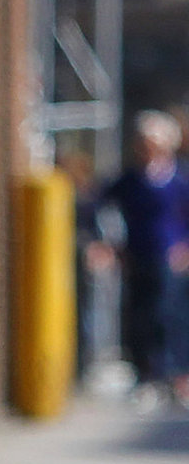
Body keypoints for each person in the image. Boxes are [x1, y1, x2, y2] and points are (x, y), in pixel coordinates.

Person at [92, 110, 189, 406]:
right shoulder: (131, 180)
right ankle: (147, 375)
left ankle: (176, 376)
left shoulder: (178, 180)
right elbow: (98, 204)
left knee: (169, 315)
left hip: (170, 258)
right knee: (139, 316)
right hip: (137, 256)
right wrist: (107, 245)